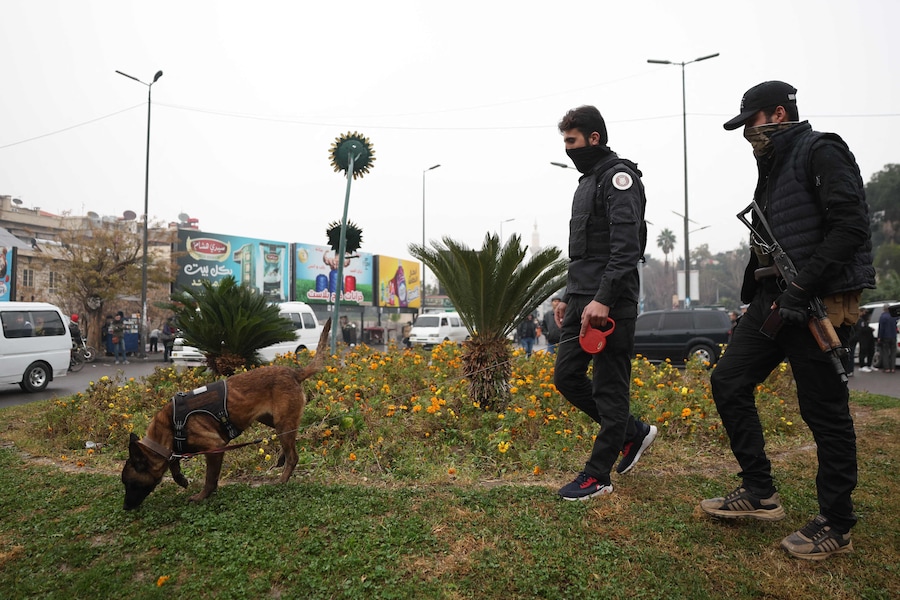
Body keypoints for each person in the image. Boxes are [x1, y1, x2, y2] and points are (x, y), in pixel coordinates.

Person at [701, 81, 876, 561]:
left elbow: (851, 227)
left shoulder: (822, 150)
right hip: (774, 298)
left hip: (815, 300)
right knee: (729, 380)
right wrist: (758, 295)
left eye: (751, 123)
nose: (747, 135)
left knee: (825, 412)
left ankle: (836, 524)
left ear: (779, 113)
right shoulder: (773, 165)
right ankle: (759, 491)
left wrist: (803, 288)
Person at [552, 105, 657, 502]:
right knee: (566, 378)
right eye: (564, 141)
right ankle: (632, 432)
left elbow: (625, 247)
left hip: (610, 305)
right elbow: (584, 250)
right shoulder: (586, 181)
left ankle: (598, 474)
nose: (567, 148)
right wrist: (568, 296)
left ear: (594, 138)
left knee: (612, 390)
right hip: (581, 299)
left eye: (572, 141)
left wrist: (603, 299)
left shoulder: (619, 178)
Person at [876, 303, 897, 373]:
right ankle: (893, 368)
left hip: (885, 336)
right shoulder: (894, 316)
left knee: (885, 352)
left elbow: (881, 328)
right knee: (893, 352)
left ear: (884, 309)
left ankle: (887, 368)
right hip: (893, 336)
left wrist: (879, 337)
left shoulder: (883, 316)